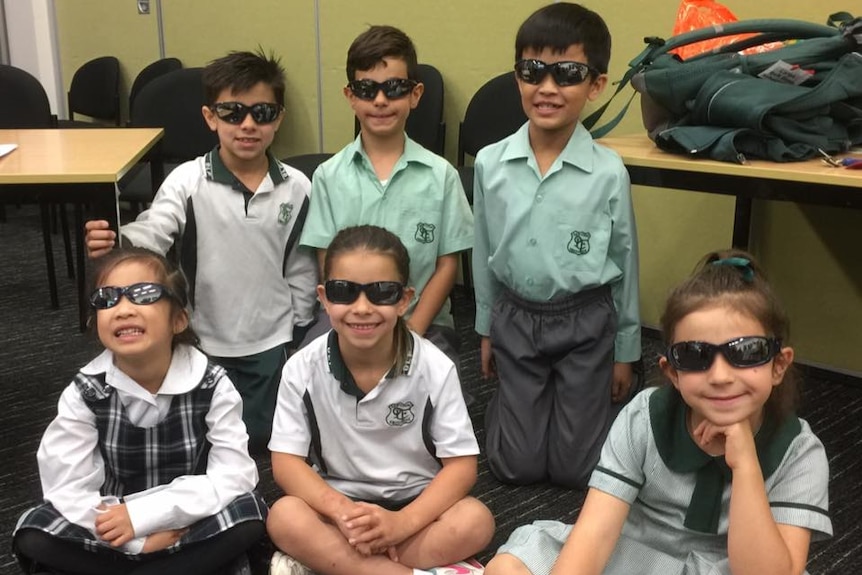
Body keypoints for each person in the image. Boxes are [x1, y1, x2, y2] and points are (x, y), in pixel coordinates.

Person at [484, 250, 833, 575]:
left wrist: (745, 466)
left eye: (746, 352)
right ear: (672, 373)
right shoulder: (644, 417)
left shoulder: (800, 453)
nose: (721, 376)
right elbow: (594, 535)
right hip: (634, 556)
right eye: (695, 356)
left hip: (728, 566)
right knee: (508, 566)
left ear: (778, 365)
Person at [84, 49, 318, 452]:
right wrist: (116, 241)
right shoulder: (188, 180)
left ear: (278, 118)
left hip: (271, 338)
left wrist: (297, 329)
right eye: (232, 113)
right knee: (204, 439)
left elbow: (300, 265)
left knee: (262, 438)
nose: (247, 125)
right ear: (211, 117)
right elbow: (154, 231)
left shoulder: (297, 187)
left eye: (262, 113)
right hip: (204, 337)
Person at [12, 247, 267, 575]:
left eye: (144, 294)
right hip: (112, 526)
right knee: (34, 533)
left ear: (178, 319)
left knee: (250, 516)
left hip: (187, 519)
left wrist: (149, 515)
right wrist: (133, 536)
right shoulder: (86, 391)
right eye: (107, 298)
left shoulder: (212, 384)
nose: (123, 309)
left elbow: (235, 474)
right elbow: (67, 486)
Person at [471, 2, 640, 489]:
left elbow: (625, 262)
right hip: (516, 318)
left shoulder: (608, 172)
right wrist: (486, 329)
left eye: (567, 73)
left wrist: (625, 350)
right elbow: (483, 252)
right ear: (518, 76)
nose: (547, 87)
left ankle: (562, 405)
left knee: (577, 471)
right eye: (532, 71)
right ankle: (513, 403)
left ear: (596, 84)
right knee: (515, 466)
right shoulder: (490, 164)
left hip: (585, 322)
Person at [266, 225, 495, 575]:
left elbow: (462, 467)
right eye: (344, 292)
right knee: (283, 517)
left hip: (415, 504)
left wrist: (400, 524)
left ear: (404, 300)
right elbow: (285, 461)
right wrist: (342, 511)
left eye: (381, 293)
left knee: (476, 522)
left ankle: (340, 564)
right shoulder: (301, 367)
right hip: (336, 505)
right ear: (324, 298)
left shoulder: (435, 367)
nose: (362, 308)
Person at [298, 25, 474, 377]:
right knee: (309, 382)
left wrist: (409, 333)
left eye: (394, 88)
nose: (380, 100)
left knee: (436, 403)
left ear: (415, 94)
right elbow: (326, 260)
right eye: (367, 89)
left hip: (421, 322)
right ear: (350, 96)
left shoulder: (441, 176)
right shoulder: (329, 176)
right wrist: (354, 325)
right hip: (348, 319)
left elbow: (446, 266)